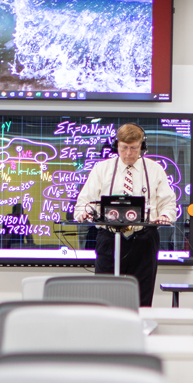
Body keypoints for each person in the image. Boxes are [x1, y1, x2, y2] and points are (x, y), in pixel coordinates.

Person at [74, 123, 176, 306]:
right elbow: (84, 202)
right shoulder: (101, 169)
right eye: (124, 148)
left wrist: (166, 216)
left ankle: (139, 330)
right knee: (103, 297)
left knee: (142, 298)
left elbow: (168, 203)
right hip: (109, 239)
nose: (128, 153)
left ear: (142, 147)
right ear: (117, 146)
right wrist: (83, 213)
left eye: (134, 148)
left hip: (144, 240)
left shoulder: (155, 170)